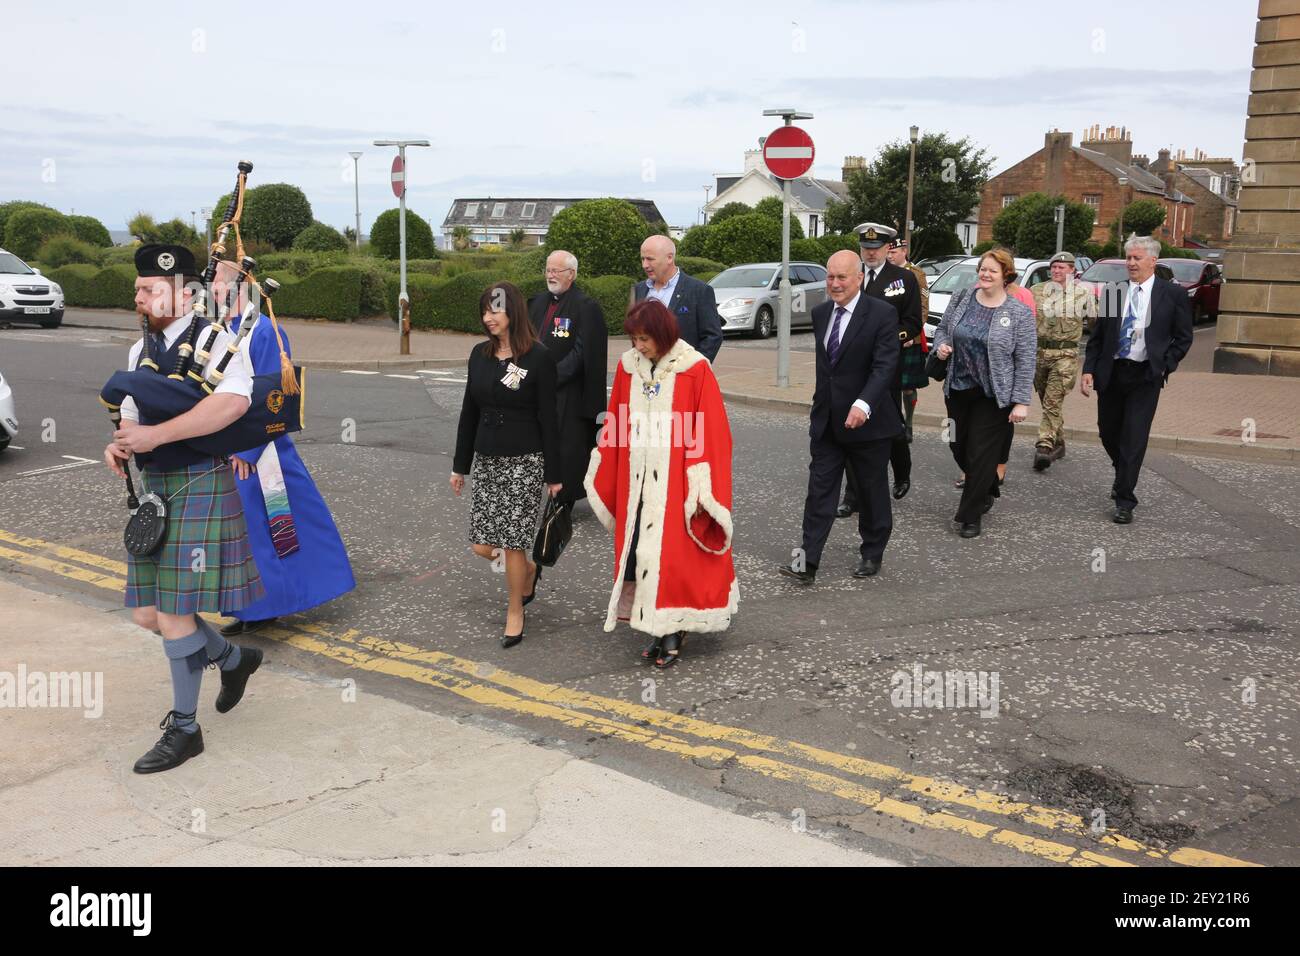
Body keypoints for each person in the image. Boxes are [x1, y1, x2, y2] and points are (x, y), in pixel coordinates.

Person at [104, 244, 265, 774]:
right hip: (154, 488)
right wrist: (123, 443)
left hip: (199, 480)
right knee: (147, 614)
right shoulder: (139, 349)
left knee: (173, 615)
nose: (142, 296)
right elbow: (128, 412)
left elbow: (232, 404)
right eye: (139, 289)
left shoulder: (219, 341)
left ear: (185, 292)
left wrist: (159, 434)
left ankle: (184, 728)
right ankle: (231, 658)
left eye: (151, 288)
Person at [585, 299, 737, 668]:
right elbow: (616, 420)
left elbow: (711, 431)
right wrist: (607, 466)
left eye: (645, 338)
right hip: (637, 482)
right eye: (634, 338)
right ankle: (655, 625)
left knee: (674, 558)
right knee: (639, 552)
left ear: (664, 335)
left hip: (677, 483)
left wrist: (698, 486)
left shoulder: (694, 369)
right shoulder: (628, 368)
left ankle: (671, 627)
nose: (639, 345)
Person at [213, 261, 356, 636]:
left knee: (274, 531)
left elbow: (272, 399)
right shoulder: (222, 331)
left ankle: (274, 602)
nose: (208, 291)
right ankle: (252, 607)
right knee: (245, 533)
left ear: (238, 287)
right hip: (228, 449)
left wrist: (245, 452)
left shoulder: (265, 331)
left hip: (261, 452)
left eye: (214, 283)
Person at [780, 250, 902, 583]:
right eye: (830, 277)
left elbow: (885, 365)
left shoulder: (882, 314)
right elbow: (828, 371)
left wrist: (863, 404)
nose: (834, 284)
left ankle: (872, 552)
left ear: (859, 278)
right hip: (827, 422)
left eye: (842, 277)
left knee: (870, 490)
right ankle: (807, 561)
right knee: (819, 491)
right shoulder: (821, 314)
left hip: (869, 422)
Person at [451, 282, 562, 646]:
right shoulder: (478, 354)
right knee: (483, 546)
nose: (488, 317)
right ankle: (527, 571)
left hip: (524, 461)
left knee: (514, 542)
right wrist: (460, 466)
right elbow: (469, 411)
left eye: (494, 309)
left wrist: (555, 473)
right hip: (487, 459)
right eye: (484, 311)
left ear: (512, 311)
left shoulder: (539, 358)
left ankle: (515, 609)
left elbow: (550, 417)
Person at [1081, 235, 1193, 524]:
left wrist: (1165, 366)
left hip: (1145, 375)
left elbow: (1183, 338)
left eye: (1136, 258)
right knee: (1108, 432)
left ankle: (1125, 499)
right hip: (1113, 372)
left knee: (1134, 437)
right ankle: (1124, 475)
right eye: (1128, 258)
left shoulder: (1173, 295)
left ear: (1153, 261)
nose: (1130, 263)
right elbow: (1097, 339)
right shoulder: (1114, 292)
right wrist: (1088, 370)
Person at [932, 248, 1036, 538]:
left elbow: (1026, 358)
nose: (985, 274)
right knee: (956, 444)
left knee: (980, 452)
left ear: (1006, 275)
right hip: (958, 388)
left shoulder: (1019, 313)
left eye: (992, 270)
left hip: (993, 395)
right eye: (982, 269)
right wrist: (942, 346)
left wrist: (1021, 401)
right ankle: (988, 482)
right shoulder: (962, 299)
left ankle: (970, 516)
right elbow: (942, 330)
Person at [836, 222, 921, 519]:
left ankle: (902, 470)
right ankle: (852, 494)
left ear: (889, 248)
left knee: (890, 425)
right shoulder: (852, 277)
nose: (871, 253)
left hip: (886, 366)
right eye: (866, 248)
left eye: (876, 248)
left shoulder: (903, 279)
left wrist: (884, 340)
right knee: (852, 427)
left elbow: (912, 323)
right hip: (852, 367)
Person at [527, 250, 608, 508]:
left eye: (556, 271)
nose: (550, 275)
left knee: (567, 447)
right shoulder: (536, 302)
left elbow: (582, 352)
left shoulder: (585, 306)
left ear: (571, 274)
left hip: (569, 392)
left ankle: (564, 498)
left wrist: (550, 377)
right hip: (537, 387)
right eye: (548, 270)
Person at [1029, 251, 1096, 471]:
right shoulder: (1036, 292)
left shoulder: (1083, 294)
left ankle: (1044, 445)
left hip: (1066, 356)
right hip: (1039, 354)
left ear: (1072, 271)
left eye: (1062, 267)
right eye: (1054, 267)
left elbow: (1097, 325)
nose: (1057, 271)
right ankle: (1059, 441)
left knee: (1052, 400)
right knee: (1046, 399)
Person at [634, 234, 723, 361]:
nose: (644, 265)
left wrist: (693, 367)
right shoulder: (639, 289)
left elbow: (713, 336)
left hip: (683, 375)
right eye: (642, 259)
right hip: (647, 375)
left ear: (669, 258)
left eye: (650, 259)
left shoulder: (699, 290)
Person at [887, 236, 930, 443]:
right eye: (888, 252)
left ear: (904, 251)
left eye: (893, 252)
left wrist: (911, 335)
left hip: (909, 337)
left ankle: (909, 424)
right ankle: (892, 421)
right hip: (887, 334)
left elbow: (923, 307)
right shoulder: (883, 273)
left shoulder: (916, 274)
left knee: (907, 386)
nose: (890, 256)